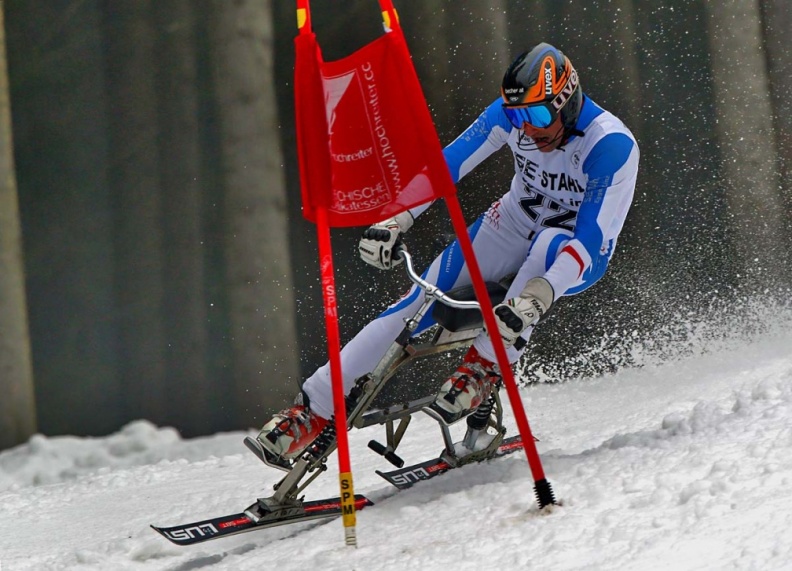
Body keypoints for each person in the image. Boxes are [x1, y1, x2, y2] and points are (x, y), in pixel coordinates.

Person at [257, 42, 640, 459]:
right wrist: (396, 219)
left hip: (576, 251)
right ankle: (312, 408)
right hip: (514, 221)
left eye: (539, 115)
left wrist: (540, 294)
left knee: (548, 246)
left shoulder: (611, 145)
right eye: (517, 116)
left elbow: (591, 236)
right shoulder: (510, 118)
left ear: (567, 103)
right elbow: (448, 164)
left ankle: (483, 366)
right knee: (419, 301)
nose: (528, 129)